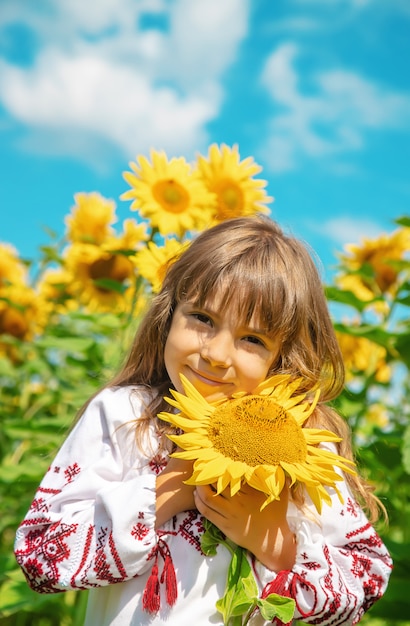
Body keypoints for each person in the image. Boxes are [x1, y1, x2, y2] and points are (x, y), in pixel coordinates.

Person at [15, 216, 392, 625]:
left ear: (281, 357)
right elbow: (40, 555)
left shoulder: (304, 445)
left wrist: (277, 545)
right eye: (202, 319)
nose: (216, 353)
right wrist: (170, 486)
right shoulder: (125, 415)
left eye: (252, 339)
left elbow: (366, 580)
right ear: (169, 314)